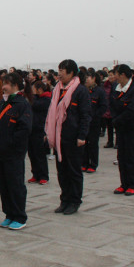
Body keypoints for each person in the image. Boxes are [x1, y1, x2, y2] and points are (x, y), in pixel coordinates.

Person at [45, 59, 91, 215]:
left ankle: (74, 201)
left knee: (74, 171)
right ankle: (64, 200)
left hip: (73, 137)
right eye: (58, 71)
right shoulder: (57, 89)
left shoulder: (80, 91)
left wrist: (82, 135)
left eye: (62, 71)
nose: (59, 74)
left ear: (71, 73)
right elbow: (51, 113)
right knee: (62, 171)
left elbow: (85, 115)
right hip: (59, 138)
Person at [0, 72, 33, 231]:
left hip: (13, 153)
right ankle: (9, 213)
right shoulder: (3, 102)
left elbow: (24, 129)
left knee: (15, 185)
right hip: (0, 151)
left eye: (6, 84)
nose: (4, 87)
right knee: (4, 185)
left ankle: (19, 216)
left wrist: (11, 144)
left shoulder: (22, 104)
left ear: (15, 85)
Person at [110, 64, 134, 196]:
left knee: (131, 156)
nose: (115, 76)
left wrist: (118, 119)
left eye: (116, 74)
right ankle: (123, 184)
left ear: (123, 75)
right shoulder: (116, 87)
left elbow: (132, 109)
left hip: (133, 127)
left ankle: (132, 185)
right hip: (121, 127)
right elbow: (112, 104)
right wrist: (115, 119)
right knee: (121, 156)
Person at [84, 71, 108, 173]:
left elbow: (103, 106)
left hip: (94, 122)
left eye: (88, 77)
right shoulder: (83, 90)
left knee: (93, 143)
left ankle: (93, 164)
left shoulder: (99, 91)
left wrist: (95, 115)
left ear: (94, 78)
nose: (86, 80)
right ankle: (84, 163)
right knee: (84, 143)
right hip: (84, 121)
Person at [28, 81, 51, 184]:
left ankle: (43, 175)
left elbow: (34, 105)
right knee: (32, 153)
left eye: (34, 89)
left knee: (39, 154)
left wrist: (30, 98)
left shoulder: (46, 100)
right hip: (31, 130)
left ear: (40, 89)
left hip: (40, 130)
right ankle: (35, 174)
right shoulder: (36, 98)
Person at [101, 70, 116, 148]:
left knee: (116, 127)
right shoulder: (105, 85)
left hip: (115, 108)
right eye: (109, 75)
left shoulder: (118, 85)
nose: (110, 77)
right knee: (109, 127)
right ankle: (110, 142)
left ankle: (117, 142)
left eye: (112, 75)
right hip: (107, 108)